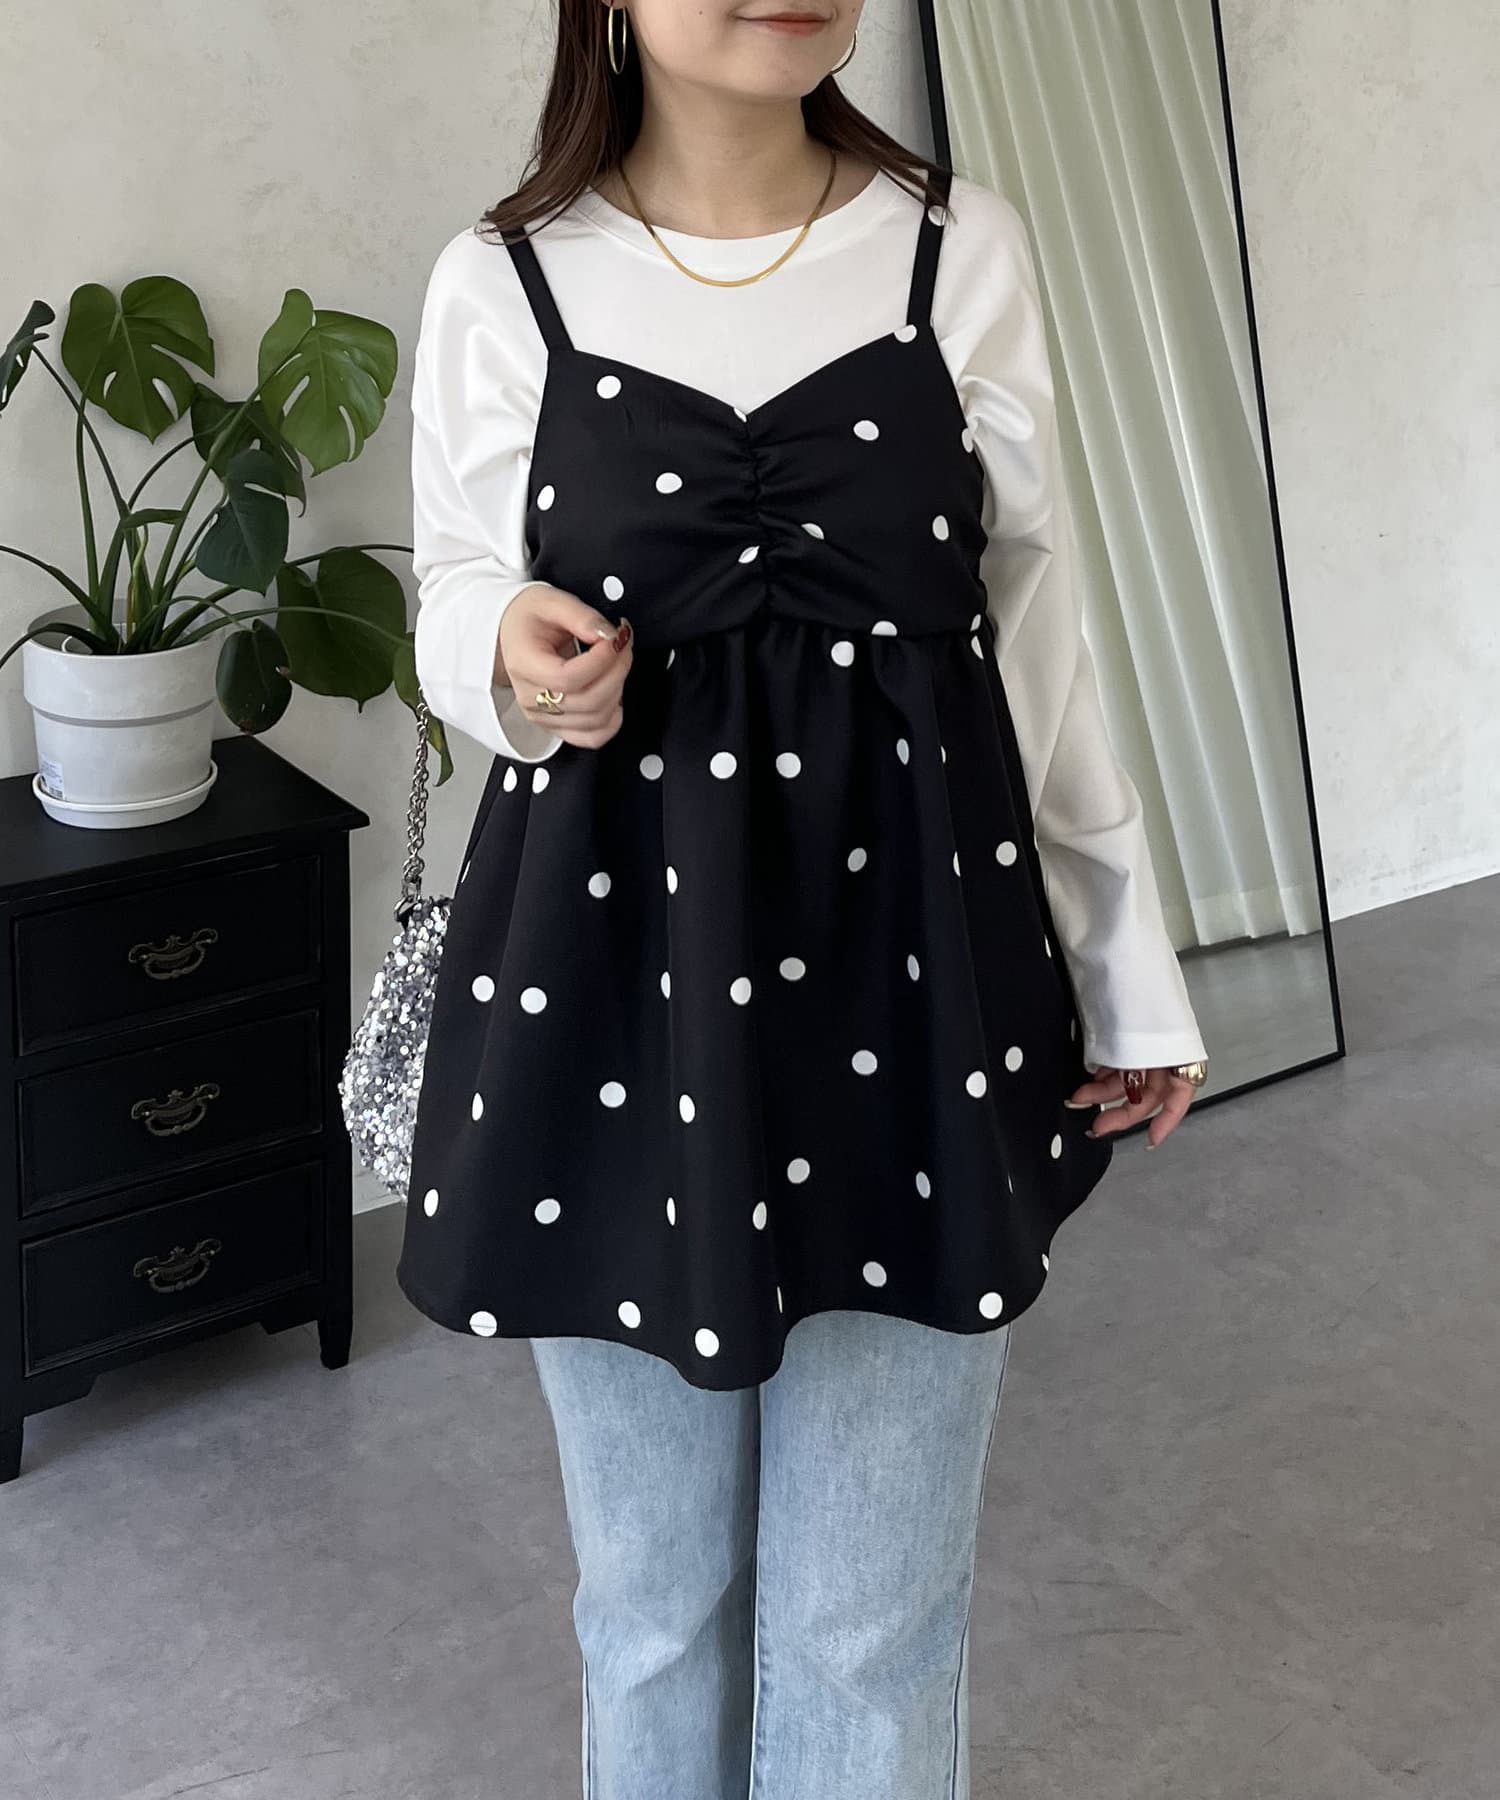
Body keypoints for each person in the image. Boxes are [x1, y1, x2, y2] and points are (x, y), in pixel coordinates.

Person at [396, 1, 1209, 1793]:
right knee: (651, 1608)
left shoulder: (957, 250)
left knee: (875, 1624)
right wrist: (505, 652)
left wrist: (1125, 970)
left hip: (913, 984)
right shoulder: (504, 279)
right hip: (620, 991)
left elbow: (1040, 631)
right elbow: (452, 583)